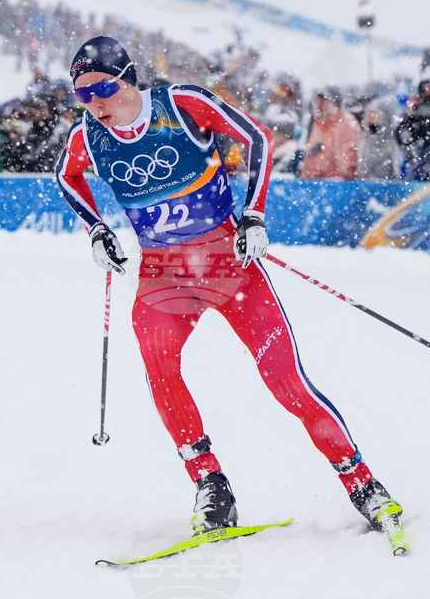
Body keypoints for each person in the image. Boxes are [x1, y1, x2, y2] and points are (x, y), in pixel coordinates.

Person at [55, 37, 407, 553]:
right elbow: (66, 177)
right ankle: (210, 486)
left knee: (286, 382)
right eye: (83, 94)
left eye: (103, 89)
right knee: (159, 364)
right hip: (163, 275)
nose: (95, 103)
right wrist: (96, 229)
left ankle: (363, 484)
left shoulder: (181, 104)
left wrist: (254, 214)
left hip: (228, 267)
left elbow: (258, 138)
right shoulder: (87, 135)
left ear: (128, 78)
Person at [298, 87, 361, 180]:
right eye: (317, 102)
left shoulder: (346, 125)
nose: (319, 106)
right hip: (314, 183)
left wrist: (331, 182)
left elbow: (346, 166)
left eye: (323, 102)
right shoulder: (320, 125)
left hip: (332, 184)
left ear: (334, 104)